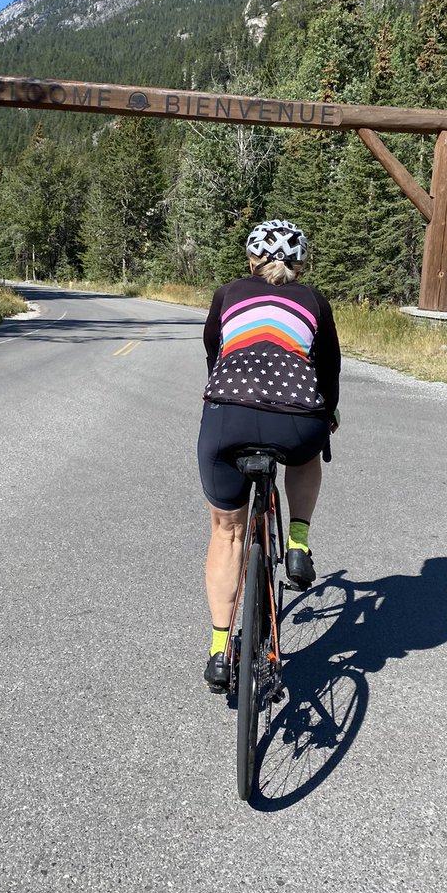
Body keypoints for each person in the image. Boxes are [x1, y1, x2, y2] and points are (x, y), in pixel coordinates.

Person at [197, 219, 341, 692]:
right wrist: (327, 416)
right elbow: (328, 371)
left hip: (229, 416)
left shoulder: (228, 294)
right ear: (301, 263)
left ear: (251, 259)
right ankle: (298, 541)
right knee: (305, 454)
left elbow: (214, 353)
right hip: (296, 418)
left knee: (226, 531)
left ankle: (220, 651)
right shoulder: (315, 301)